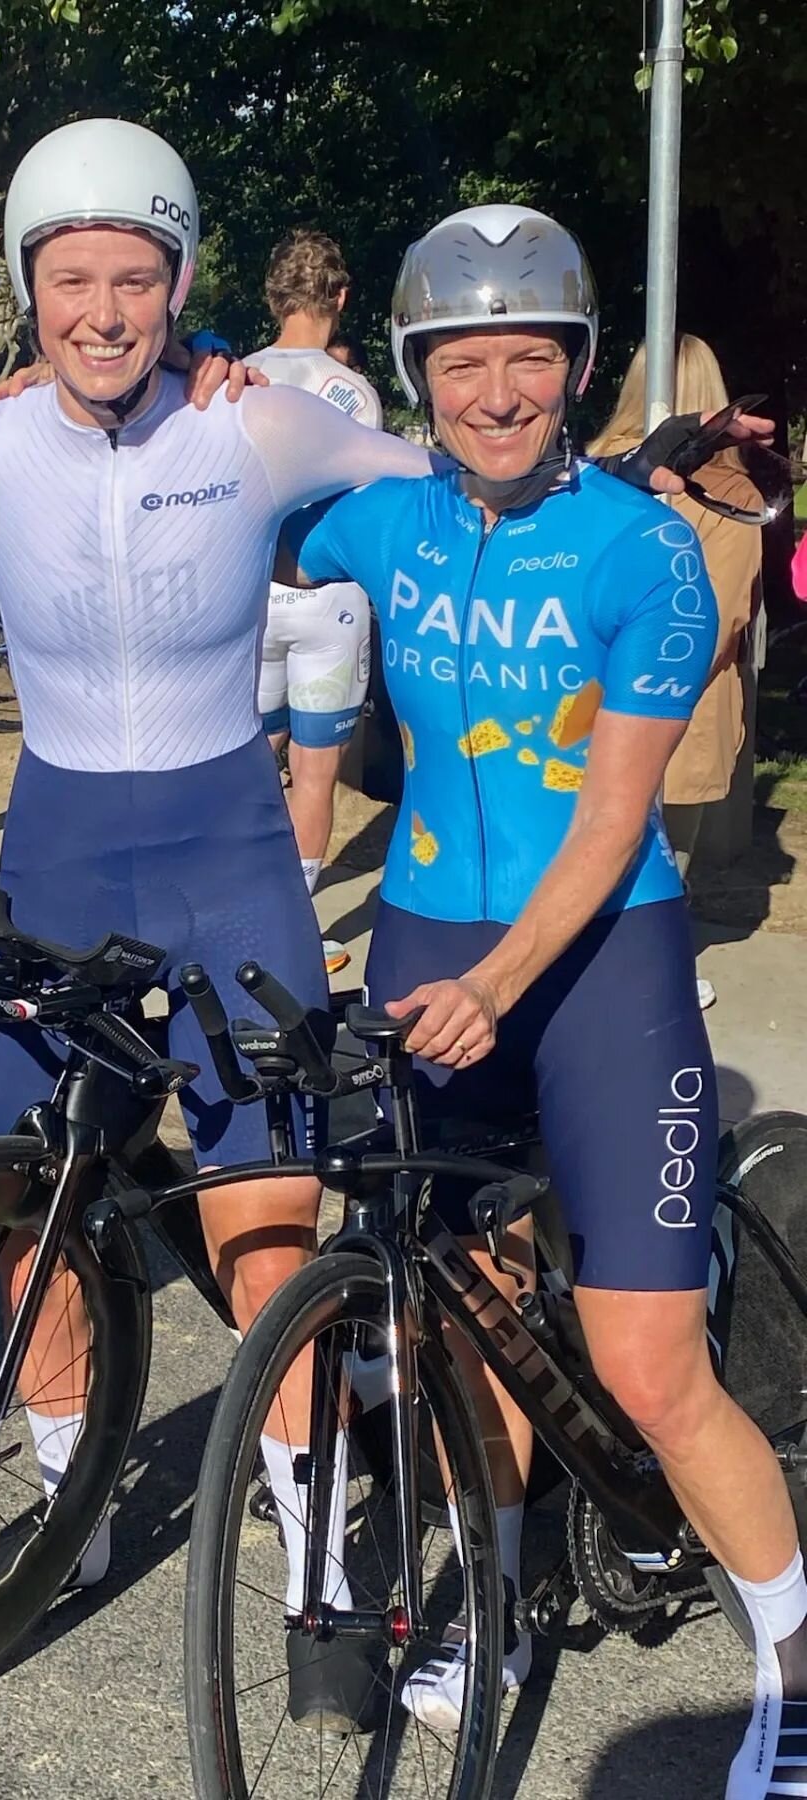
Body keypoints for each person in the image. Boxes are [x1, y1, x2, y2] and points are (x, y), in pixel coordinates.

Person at [0, 115, 497, 1717]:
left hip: (228, 847)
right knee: (29, 1198)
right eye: (72, 280)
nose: (104, 312)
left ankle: (321, 1576)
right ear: (26, 286)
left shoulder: (260, 425)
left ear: (184, 284)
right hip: (61, 850)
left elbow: (451, 475)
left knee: (257, 1204)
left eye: (138, 279)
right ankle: (64, 1505)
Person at [287, 204, 802, 1792]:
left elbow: (611, 811)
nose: (497, 392)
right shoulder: (376, 520)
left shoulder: (641, 550)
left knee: (646, 1362)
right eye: (463, 363)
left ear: (577, 372)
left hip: (599, 959)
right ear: (415, 373)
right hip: (432, 934)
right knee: (466, 1306)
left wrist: (503, 983)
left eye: (531, 362)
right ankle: (501, 1591)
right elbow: (221, 526)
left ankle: (797, 1667)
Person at [590, 335, 765, 1012]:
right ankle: (652, 968)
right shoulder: (730, 493)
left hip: (597, 699)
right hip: (676, 709)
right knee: (654, 857)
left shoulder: (595, 478)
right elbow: (717, 621)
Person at [245, 231, 384, 972]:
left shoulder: (240, 375)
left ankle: (243, 903)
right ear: (341, 297)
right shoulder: (352, 391)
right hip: (331, 599)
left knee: (252, 757)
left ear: (276, 298)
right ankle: (294, 926)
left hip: (253, 595)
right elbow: (369, 502)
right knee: (317, 768)